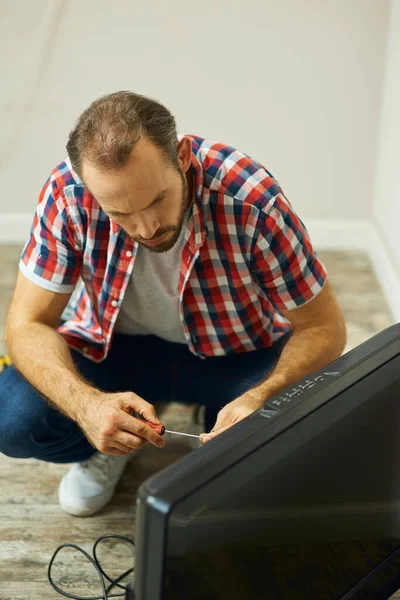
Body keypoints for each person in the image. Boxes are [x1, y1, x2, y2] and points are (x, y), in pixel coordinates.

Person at [0, 91, 346, 517]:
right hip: (113, 351)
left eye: (156, 200)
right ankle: (115, 436)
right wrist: (87, 407)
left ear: (181, 156)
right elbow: (26, 323)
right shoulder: (67, 193)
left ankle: (219, 415)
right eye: (119, 213)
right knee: (13, 420)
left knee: (301, 439)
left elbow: (323, 327)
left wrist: (262, 395)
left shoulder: (252, 198)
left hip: (234, 354)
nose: (146, 228)